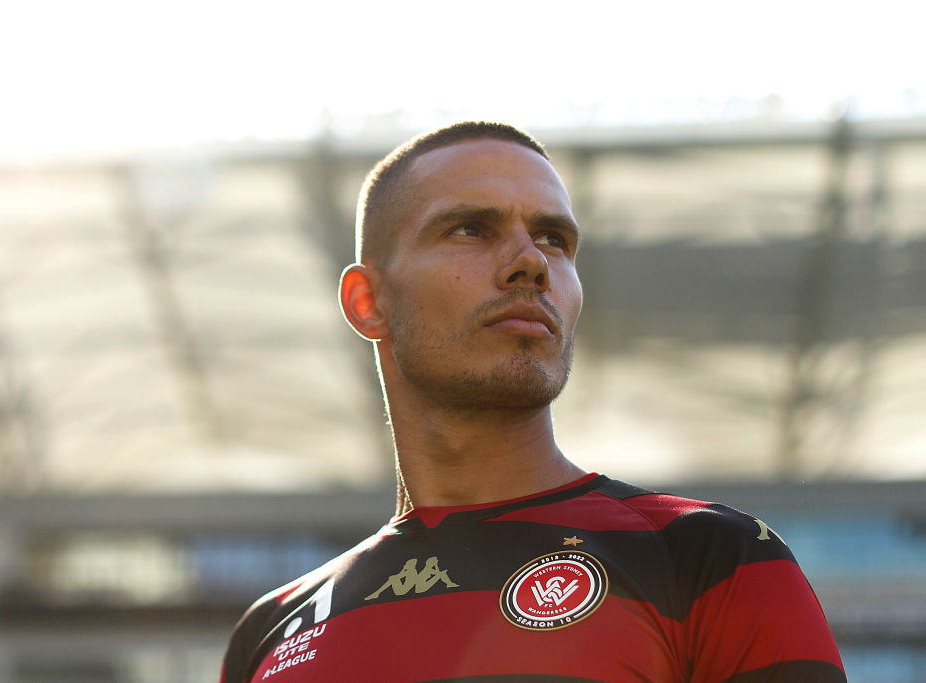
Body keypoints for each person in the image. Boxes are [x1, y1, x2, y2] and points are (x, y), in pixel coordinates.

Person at [219, 122, 846, 682]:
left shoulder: (709, 557)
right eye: (470, 228)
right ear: (368, 301)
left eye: (553, 238)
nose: (529, 262)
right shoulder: (270, 633)